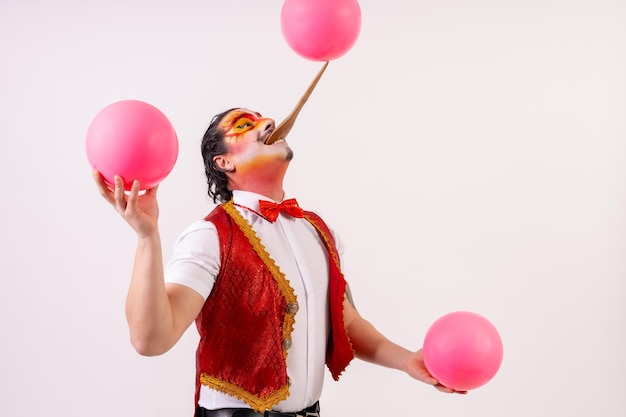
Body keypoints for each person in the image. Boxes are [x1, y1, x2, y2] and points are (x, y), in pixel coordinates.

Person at [93, 107, 464, 417]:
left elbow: (346, 322)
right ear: (223, 163)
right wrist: (147, 237)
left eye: (261, 119)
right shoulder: (210, 236)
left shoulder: (320, 231)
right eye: (244, 125)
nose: (268, 123)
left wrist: (408, 361)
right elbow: (150, 340)